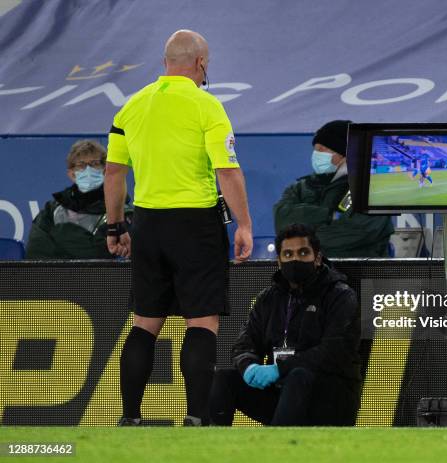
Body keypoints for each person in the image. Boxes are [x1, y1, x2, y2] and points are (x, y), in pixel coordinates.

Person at [104, 29, 253, 426]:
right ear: (202, 63)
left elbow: (114, 172)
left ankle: (130, 418)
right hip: (195, 223)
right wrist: (244, 224)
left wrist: (116, 225)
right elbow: (227, 170)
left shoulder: (131, 107)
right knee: (202, 321)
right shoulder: (207, 106)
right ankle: (196, 418)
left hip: (148, 222)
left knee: (145, 323)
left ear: (165, 62)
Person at [209, 223, 362, 426]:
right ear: (279, 262)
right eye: (288, 255)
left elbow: (334, 352)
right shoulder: (268, 299)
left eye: (303, 253)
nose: (295, 259)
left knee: (298, 376)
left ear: (317, 258)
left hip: (330, 399)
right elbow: (244, 345)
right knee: (224, 378)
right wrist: (249, 366)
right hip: (281, 393)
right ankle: (214, 449)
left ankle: (278, 451)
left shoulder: (340, 295)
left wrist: (280, 369)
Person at [273, 120, 394, 257]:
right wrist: (329, 215)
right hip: (311, 274)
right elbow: (281, 221)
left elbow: (355, 232)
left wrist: (304, 243)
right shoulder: (300, 187)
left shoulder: (373, 189)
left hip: (362, 273)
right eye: (315, 149)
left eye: (322, 149)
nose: (316, 154)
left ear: (343, 154)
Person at [25, 140, 132, 259]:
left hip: (100, 277)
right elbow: (35, 251)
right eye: (81, 165)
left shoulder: (119, 211)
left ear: (105, 170)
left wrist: (58, 234)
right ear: (72, 174)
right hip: (54, 277)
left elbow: (100, 254)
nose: (88, 170)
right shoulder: (52, 210)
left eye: (94, 163)